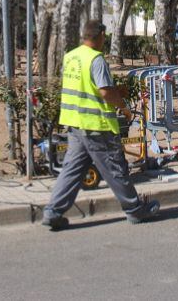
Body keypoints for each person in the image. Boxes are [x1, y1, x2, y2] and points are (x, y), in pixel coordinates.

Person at [42, 20, 160, 230]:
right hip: (97, 126)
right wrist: (123, 107)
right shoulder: (96, 59)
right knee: (115, 169)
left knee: (71, 170)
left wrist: (116, 90)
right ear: (100, 36)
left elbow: (84, 87)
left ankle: (53, 211)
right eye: (105, 37)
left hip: (76, 125)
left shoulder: (71, 57)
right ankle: (134, 210)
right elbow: (105, 91)